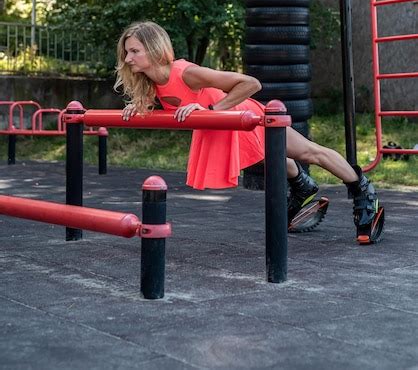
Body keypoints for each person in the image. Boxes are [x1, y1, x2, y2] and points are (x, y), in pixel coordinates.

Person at [115, 20, 380, 234]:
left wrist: (210, 111)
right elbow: (171, 103)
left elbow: (250, 83)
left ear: (154, 49)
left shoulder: (186, 73)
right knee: (267, 157)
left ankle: (362, 190)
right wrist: (139, 108)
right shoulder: (150, 82)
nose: (128, 58)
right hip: (224, 125)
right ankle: (302, 186)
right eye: (127, 52)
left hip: (246, 116)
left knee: (309, 153)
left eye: (135, 51)